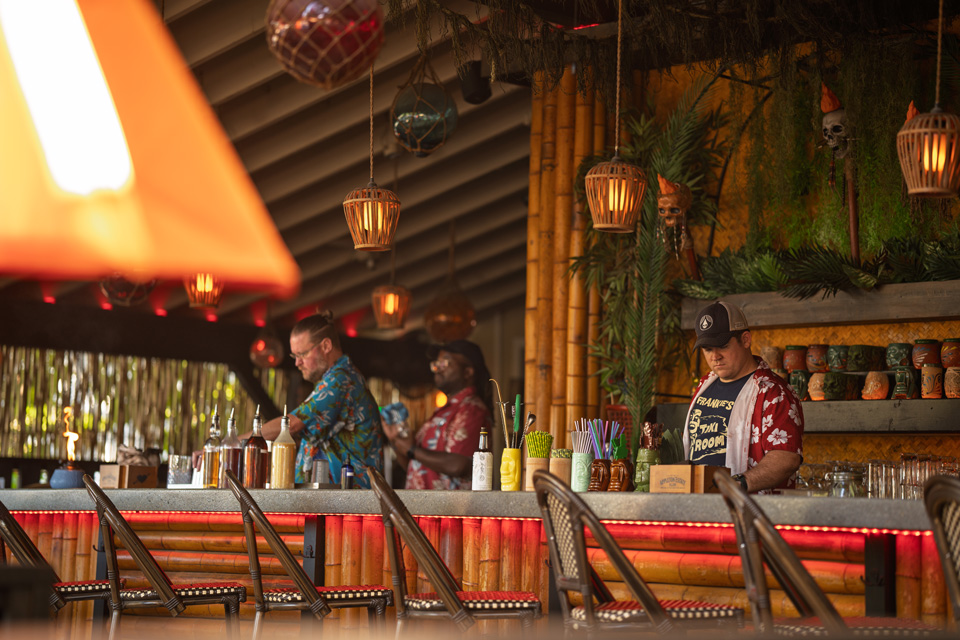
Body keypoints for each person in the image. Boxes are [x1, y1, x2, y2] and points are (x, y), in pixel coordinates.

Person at [195, 312, 384, 488]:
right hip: (333, 497)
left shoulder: (341, 380)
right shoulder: (335, 379)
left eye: (302, 354)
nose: (297, 363)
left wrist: (231, 444)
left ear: (326, 346)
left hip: (347, 500)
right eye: (295, 356)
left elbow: (292, 424)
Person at [683, 300, 803, 492]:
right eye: (707, 349)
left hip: (752, 513)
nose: (715, 356)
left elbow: (786, 458)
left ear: (746, 340)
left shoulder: (774, 393)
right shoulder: (705, 385)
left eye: (722, 346)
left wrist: (736, 485)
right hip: (701, 510)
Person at [382, 340, 492, 490]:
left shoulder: (472, 409)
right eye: (436, 364)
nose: (437, 369)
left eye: (445, 363)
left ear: (468, 372)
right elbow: (414, 464)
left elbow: (460, 465)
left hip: (450, 511)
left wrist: (412, 450)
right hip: (426, 508)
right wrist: (396, 441)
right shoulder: (444, 410)